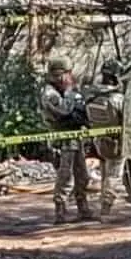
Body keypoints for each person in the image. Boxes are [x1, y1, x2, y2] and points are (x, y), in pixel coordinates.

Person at [39, 56, 92, 223]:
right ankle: (60, 211)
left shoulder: (62, 91)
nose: (70, 77)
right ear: (60, 75)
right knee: (65, 177)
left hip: (74, 138)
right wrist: (70, 92)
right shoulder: (50, 93)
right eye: (68, 74)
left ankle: (83, 208)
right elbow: (64, 110)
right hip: (62, 141)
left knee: (82, 174)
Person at [88, 58, 126, 216]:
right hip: (116, 143)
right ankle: (106, 208)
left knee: (105, 173)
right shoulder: (117, 99)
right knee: (114, 175)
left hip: (99, 141)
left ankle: (103, 206)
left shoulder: (93, 96)